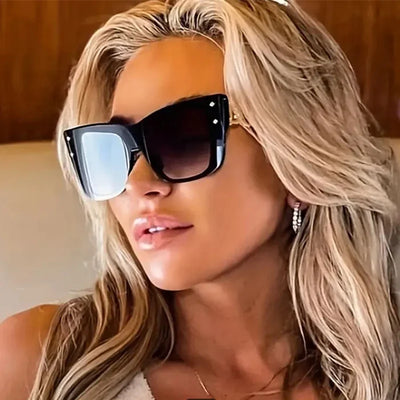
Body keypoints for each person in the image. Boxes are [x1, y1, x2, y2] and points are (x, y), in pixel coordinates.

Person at [1, 0, 399, 399]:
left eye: (183, 138)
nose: (137, 183)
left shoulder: (381, 375)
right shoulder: (39, 363)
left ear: (297, 161)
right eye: (114, 152)